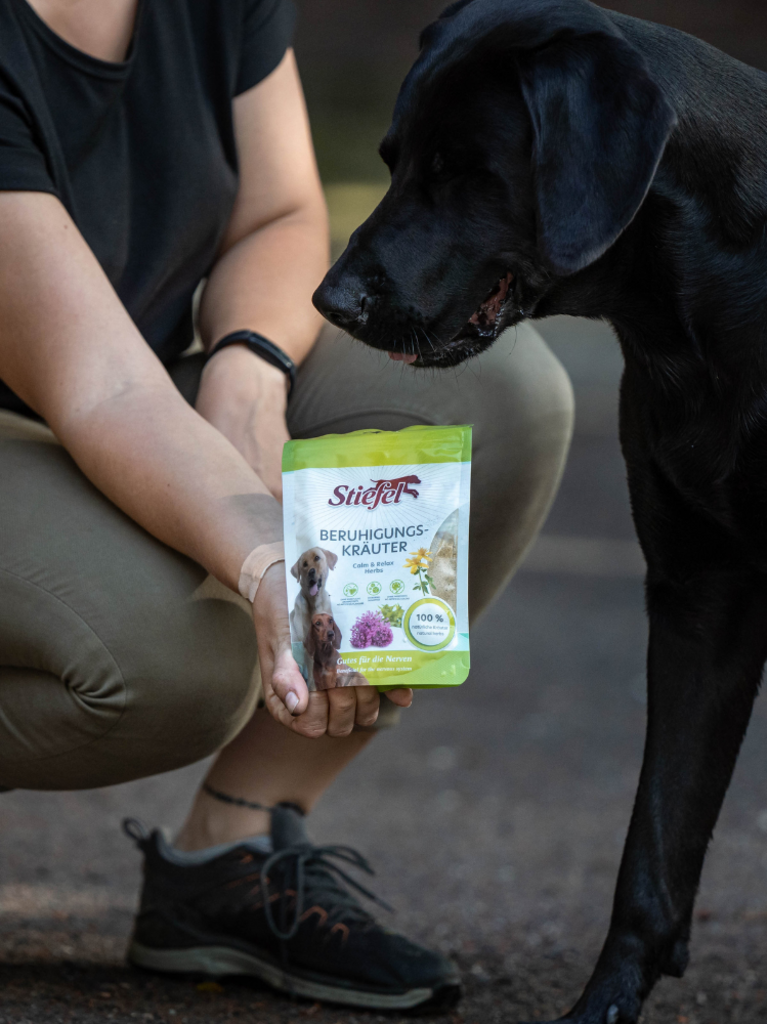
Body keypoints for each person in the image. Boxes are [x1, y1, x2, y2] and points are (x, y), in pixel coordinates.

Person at [0, 0, 574, 1010]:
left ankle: (232, 849)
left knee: (497, 400)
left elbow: (279, 214)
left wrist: (247, 368)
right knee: (182, 657)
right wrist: (270, 560)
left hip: (132, 385)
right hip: (58, 402)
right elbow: (99, 385)